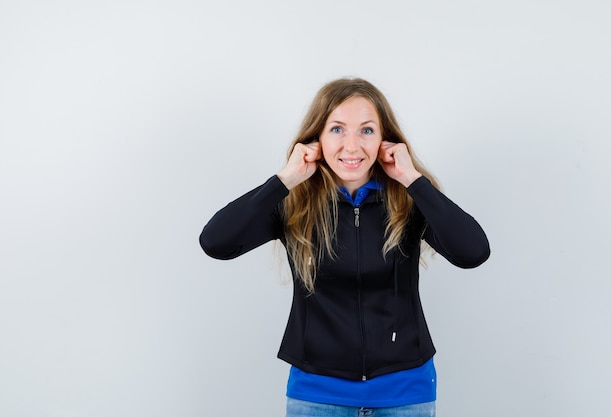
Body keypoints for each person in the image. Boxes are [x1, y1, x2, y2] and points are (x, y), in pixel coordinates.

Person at [200, 78, 490, 417]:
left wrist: (413, 180)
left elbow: (474, 252)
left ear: (385, 140)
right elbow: (215, 242)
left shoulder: (407, 201)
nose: (352, 146)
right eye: (337, 129)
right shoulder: (295, 202)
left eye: (367, 131)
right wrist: (284, 180)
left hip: (404, 394)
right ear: (317, 138)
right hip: (317, 395)